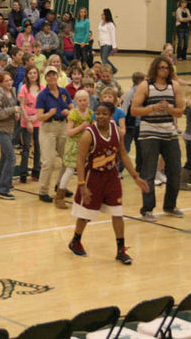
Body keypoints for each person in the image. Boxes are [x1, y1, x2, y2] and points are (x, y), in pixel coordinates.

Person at [68, 101, 149, 265]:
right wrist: (82, 184)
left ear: (111, 115)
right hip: (93, 178)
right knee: (85, 215)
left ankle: (120, 250)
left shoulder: (116, 131)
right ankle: (75, 240)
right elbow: (80, 159)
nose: (100, 116)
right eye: (97, 113)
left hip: (111, 176)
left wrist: (135, 176)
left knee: (118, 213)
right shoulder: (88, 134)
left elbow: (123, 155)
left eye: (104, 113)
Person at [131, 56, 184, 222]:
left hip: (169, 131)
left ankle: (170, 205)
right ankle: (147, 209)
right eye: (161, 67)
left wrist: (169, 109)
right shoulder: (145, 86)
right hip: (149, 132)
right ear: (155, 69)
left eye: (167, 68)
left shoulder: (174, 86)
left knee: (175, 170)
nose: (164, 71)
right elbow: (134, 110)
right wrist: (153, 108)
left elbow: (180, 111)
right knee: (148, 171)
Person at [36, 65, 73, 203]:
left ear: (58, 76)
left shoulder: (63, 92)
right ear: (45, 78)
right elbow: (39, 117)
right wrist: (49, 114)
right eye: (49, 75)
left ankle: (60, 185)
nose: (52, 77)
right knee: (49, 161)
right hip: (48, 128)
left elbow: (72, 108)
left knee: (67, 159)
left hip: (62, 126)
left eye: (54, 75)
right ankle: (43, 191)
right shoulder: (42, 95)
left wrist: (69, 113)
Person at [57, 90, 92, 208]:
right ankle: (59, 197)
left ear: (88, 100)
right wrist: (81, 127)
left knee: (86, 172)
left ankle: (85, 195)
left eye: (85, 100)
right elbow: (69, 132)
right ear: (76, 101)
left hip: (86, 146)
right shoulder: (73, 114)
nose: (83, 103)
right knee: (70, 171)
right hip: (73, 146)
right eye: (80, 100)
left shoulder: (91, 114)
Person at [0, 71, 19, 199]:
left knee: (5, 157)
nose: (9, 82)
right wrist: (12, 110)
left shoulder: (12, 92)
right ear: (0, 83)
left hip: (8, 128)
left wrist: (15, 114)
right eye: (6, 81)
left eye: (10, 80)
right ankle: (3, 188)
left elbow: (9, 110)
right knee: (11, 158)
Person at [19, 65, 43, 183]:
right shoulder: (23, 88)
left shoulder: (42, 88)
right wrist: (28, 121)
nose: (33, 75)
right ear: (27, 75)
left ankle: (36, 171)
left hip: (38, 120)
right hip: (26, 120)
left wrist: (37, 117)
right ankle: (23, 173)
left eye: (34, 73)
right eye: (30, 73)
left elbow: (44, 107)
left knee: (38, 147)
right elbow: (22, 106)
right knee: (26, 147)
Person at [98, 8, 118, 74]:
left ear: (106, 15)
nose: (102, 15)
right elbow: (100, 32)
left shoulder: (110, 24)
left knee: (104, 59)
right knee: (103, 58)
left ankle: (105, 73)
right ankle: (114, 69)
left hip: (108, 44)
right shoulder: (101, 22)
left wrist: (114, 46)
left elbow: (113, 36)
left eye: (103, 14)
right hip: (102, 43)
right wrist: (99, 40)